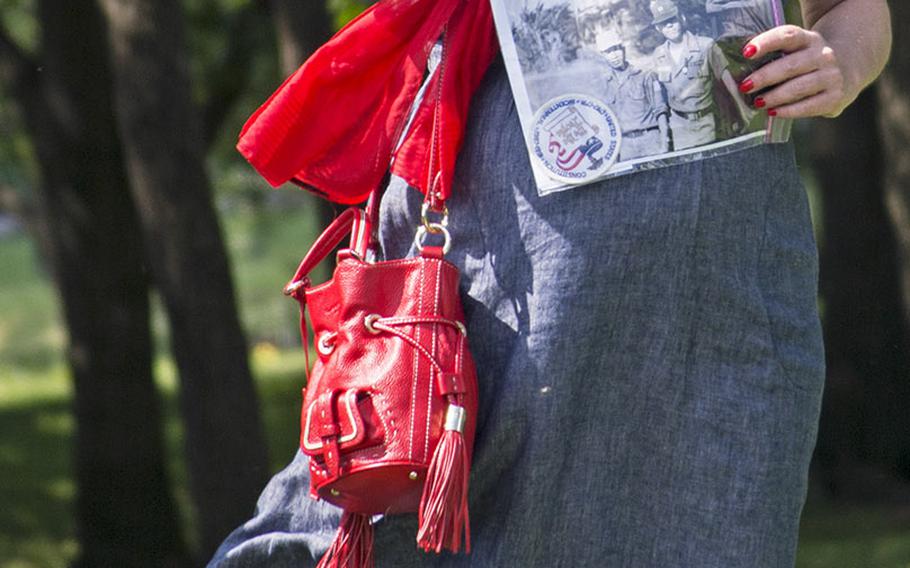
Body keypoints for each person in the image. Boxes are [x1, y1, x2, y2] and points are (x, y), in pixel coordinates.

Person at [209, 0, 891, 565]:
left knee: (716, 521)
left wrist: (839, 62)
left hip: (725, 267)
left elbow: (853, 9)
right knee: (399, 505)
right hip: (504, 230)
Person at [649, 0, 755, 149]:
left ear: (681, 18)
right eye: (663, 23)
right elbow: (659, 93)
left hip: (708, 123)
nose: (669, 26)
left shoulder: (706, 46)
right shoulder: (658, 55)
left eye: (672, 20)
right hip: (679, 128)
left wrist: (744, 111)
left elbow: (728, 80)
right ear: (658, 28)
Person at [595, 29, 669, 160]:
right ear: (602, 55)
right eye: (608, 51)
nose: (614, 55)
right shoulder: (604, 84)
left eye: (616, 49)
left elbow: (660, 111)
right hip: (625, 146)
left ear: (623, 49)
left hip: (650, 141)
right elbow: (606, 123)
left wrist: (664, 144)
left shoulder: (645, 75)